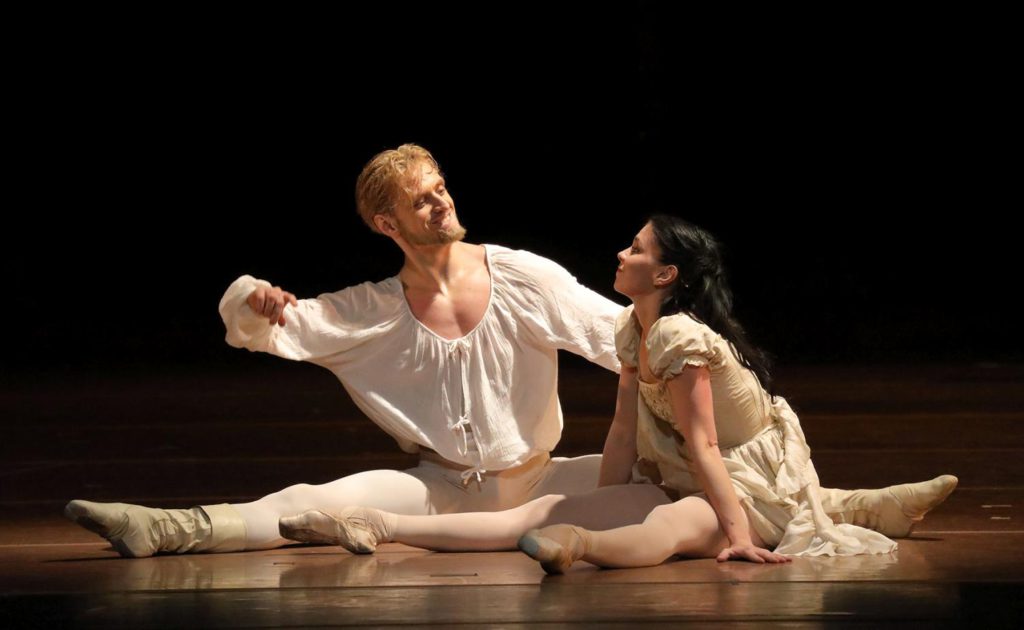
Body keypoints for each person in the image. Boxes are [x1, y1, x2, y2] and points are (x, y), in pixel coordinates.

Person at [65, 145, 956, 558]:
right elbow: (268, 328)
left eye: (442, 188)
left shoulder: (519, 275)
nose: (442, 204)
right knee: (310, 499)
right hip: (435, 478)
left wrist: (712, 382)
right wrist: (250, 297)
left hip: (543, 472)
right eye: (421, 199)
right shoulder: (374, 308)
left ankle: (854, 505)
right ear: (388, 222)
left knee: (679, 475)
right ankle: (170, 529)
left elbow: (620, 340)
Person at [278, 215, 957, 571]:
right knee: (542, 508)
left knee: (665, 527)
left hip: (737, 486)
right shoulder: (635, 335)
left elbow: (705, 444)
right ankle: (379, 525)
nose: (621, 254)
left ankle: (581, 549)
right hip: (687, 472)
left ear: (664, 274)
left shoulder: (685, 340)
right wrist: (600, 498)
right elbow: (625, 435)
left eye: (635, 251)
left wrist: (737, 534)